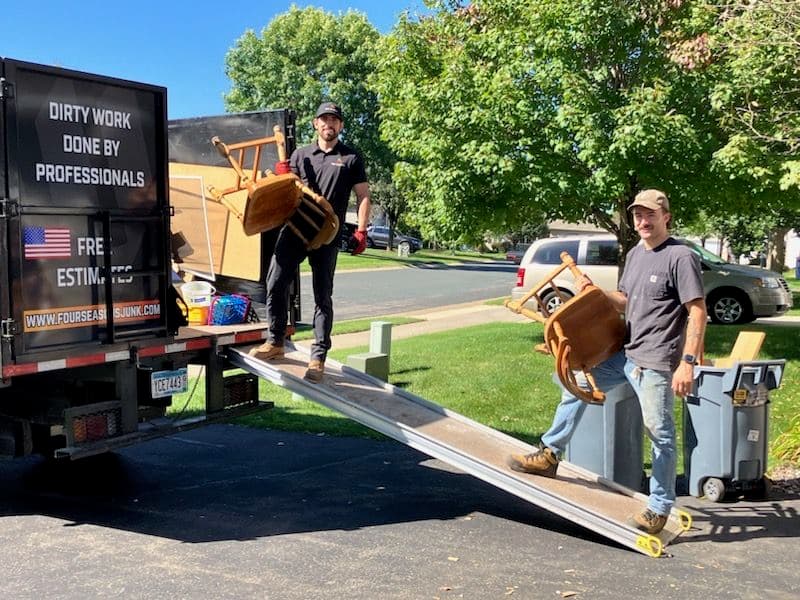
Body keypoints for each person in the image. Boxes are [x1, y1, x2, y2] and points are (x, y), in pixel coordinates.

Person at [508, 189, 707, 535]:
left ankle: (659, 507)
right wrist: (595, 294)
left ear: (666, 217)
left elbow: (698, 311)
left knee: (659, 434)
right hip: (625, 352)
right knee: (578, 383)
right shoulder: (635, 255)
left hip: (656, 361)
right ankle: (550, 454)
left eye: (650, 215)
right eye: (637, 216)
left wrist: (687, 362)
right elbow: (625, 300)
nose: (643, 221)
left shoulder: (680, 256)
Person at [250, 101, 371, 383]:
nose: (329, 124)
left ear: (340, 126)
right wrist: (283, 174)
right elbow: (285, 191)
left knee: (322, 296)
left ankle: (317, 358)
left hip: (327, 232)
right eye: (324, 119)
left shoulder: (351, 157)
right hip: (295, 228)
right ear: (316, 124)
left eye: (335, 120)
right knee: (276, 282)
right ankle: (276, 341)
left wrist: (362, 231)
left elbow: (363, 195)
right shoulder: (301, 155)